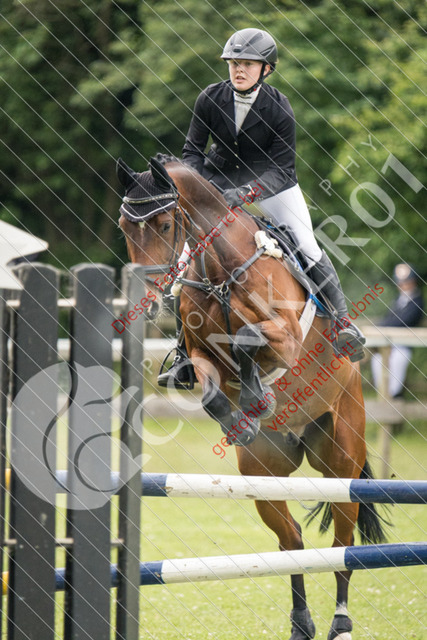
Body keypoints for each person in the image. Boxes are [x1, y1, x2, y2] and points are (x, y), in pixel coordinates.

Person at [158, 28, 365, 388]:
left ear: (266, 69)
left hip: (272, 187)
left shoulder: (278, 106)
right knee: (185, 265)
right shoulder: (210, 98)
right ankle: (182, 356)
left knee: (307, 244)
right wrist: (203, 189)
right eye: (234, 63)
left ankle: (342, 323)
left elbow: (282, 168)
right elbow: (192, 152)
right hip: (219, 185)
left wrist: (247, 192)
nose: (239, 70)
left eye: (248, 64)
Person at [371, 263, 424, 398]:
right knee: (377, 360)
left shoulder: (417, 301)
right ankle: (384, 395)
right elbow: (389, 318)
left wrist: (382, 327)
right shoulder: (398, 300)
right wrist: (380, 326)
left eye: (406, 282)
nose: (402, 285)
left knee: (398, 360)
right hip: (390, 343)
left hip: (404, 344)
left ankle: (394, 395)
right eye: (400, 282)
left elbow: (403, 321)